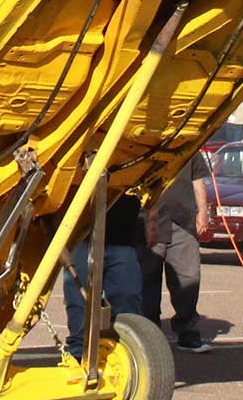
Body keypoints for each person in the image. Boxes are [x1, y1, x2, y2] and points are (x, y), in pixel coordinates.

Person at [141, 149, 211, 353]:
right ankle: (149, 335)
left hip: (183, 221)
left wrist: (203, 212)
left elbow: (198, 179)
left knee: (188, 278)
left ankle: (187, 332)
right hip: (150, 220)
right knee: (147, 278)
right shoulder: (147, 144)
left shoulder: (190, 145)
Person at [60, 194, 145, 359]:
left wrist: (151, 218)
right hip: (81, 237)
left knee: (127, 295)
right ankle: (79, 354)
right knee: (79, 299)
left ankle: (126, 353)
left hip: (123, 236)